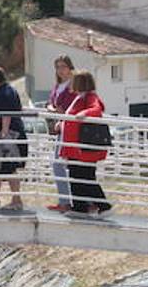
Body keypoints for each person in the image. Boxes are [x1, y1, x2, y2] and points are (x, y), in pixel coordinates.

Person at [61, 70, 110, 215]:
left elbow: (97, 109)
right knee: (76, 177)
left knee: (85, 177)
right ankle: (79, 207)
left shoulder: (90, 97)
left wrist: (84, 113)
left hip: (83, 148)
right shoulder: (80, 97)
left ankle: (104, 206)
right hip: (75, 147)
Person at [0, 66, 27, 212]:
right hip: (7, 135)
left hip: (7, 136)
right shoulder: (9, 90)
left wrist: (4, 135)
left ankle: (16, 199)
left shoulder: (3, 93)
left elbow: (6, 113)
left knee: (9, 168)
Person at [46, 55, 76, 211]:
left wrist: (61, 111)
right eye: (57, 67)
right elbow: (51, 102)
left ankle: (68, 201)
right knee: (59, 164)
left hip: (69, 128)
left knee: (61, 164)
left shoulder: (74, 85)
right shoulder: (57, 86)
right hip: (59, 128)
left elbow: (73, 104)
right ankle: (65, 200)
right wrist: (52, 108)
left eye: (63, 66)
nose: (60, 70)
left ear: (70, 67)